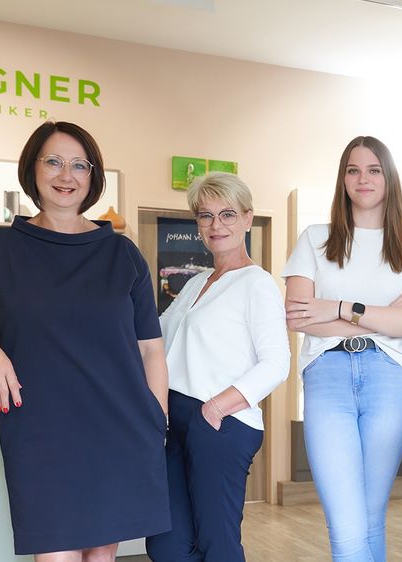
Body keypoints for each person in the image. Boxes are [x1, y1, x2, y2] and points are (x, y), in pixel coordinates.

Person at [0, 121, 170, 560]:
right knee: (55, 554)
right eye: (55, 162)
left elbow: (150, 348)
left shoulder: (122, 254)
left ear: (93, 177)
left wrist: (158, 422)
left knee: (102, 555)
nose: (67, 175)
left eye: (80, 165)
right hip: (41, 432)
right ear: (33, 169)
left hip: (121, 428)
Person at [282, 136, 402, 562]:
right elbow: (297, 317)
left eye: (373, 170)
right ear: (343, 179)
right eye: (353, 170)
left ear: (389, 178)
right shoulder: (314, 239)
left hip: (390, 377)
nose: (362, 179)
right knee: (347, 525)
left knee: (369, 518)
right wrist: (383, 315)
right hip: (327, 375)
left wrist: (339, 307)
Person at [146, 173, 290, 561]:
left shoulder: (257, 284)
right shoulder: (197, 284)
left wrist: (215, 408)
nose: (216, 225)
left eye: (227, 214)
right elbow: (154, 336)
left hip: (218, 422)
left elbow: (277, 363)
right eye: (206, 216)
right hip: (175, 421)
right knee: (167, 546)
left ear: (247, 218)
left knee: (218, 544)